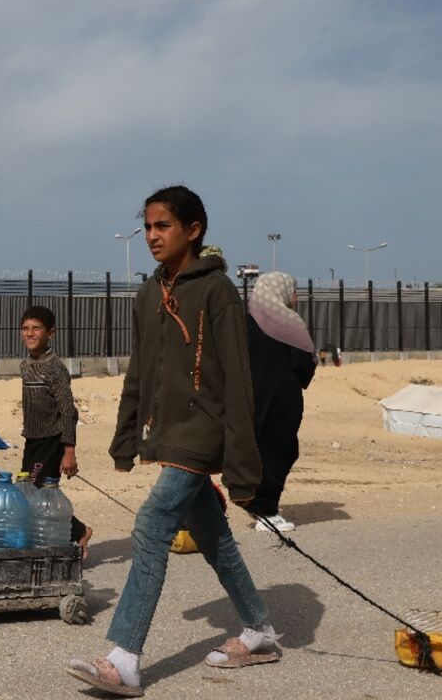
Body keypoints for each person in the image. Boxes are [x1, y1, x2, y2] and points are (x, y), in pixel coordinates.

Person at [68, 186, 278, 697]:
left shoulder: (218, 291)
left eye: (163, 226)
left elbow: (238, 381)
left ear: (193, 230)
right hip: (168, 434)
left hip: (204, 432)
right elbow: (140, 371)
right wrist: (125, 439)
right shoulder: (148, 294)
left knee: (152, 524)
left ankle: (124, 659)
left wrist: (244, 471)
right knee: (213, 536)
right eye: (148, 227)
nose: (152, 236)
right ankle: (260, 632)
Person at [244, 272, 317, 532]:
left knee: (256, 449)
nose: (295, 298)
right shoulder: (288, 322)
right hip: (281, 399)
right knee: (280, 450)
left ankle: (254, 500)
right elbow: (303, 364)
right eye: (293, 292)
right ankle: (266, 510)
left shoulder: (246, 320)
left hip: (249, 397)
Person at [19, 305, 93, 557]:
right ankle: (60, 537)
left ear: (51, 333)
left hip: (52, 441)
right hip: (32, 441)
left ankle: (79, 532)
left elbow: (68, 410)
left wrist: (69, 451)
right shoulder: (26, 364)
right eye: (26, 328)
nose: (30, 333)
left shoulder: (55, 368)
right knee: (26, 492)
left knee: (39, 495)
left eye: (36, 328)